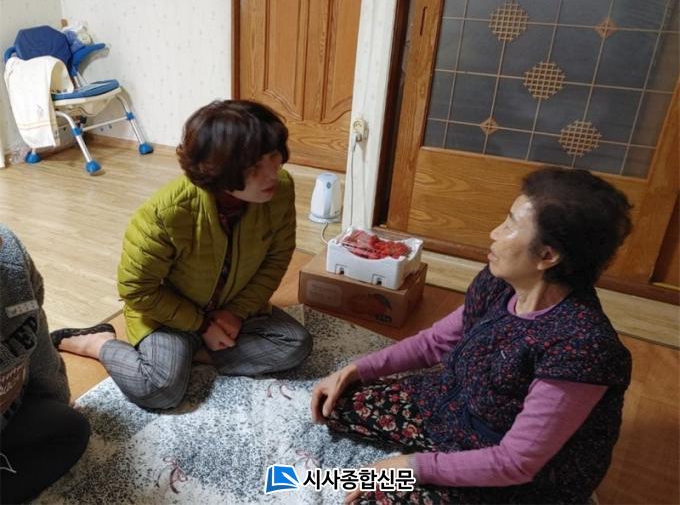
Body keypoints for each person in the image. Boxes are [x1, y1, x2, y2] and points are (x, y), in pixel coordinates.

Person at [311, 168, 633, 504]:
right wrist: (355, 369)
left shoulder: (582, 347)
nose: (494, 233)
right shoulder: (500, 282)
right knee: (336, 403)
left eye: (510, 225)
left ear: (547, 255)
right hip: (455, 410)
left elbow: (516, 462)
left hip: (517, 474)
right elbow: (434, 342)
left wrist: (411, 466)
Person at [52, 100, 312, 410]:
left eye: (273, 155)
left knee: (296, 345)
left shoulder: (281, 189)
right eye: (255, 166)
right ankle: (99, 343)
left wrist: (236, 312)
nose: (273, 171)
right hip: (169, 314)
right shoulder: (166, 213)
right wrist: (202, 325)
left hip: (230, 304)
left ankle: (192, 354)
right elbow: (136, 289)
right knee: (159, 390)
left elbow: (277, 258)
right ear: (218, 170)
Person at [0, 225, 90, 503]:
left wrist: (56, 397)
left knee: (72, 429)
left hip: (10, 415)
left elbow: (40, 351)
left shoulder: (11, 258)